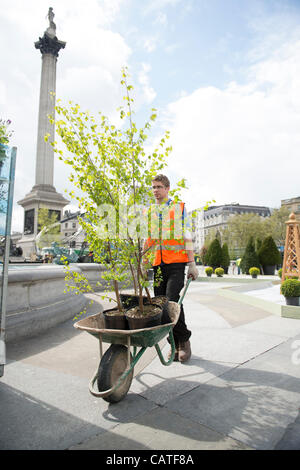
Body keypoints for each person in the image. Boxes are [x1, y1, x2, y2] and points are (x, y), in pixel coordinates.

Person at [143, 174, 199, 363]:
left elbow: (187, 237)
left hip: (176, 264)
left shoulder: (179, 208)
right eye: (153, 187)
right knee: (161, 305)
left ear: (167, 189)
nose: (155, 190)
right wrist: (143, 265)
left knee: (171, 302)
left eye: (159, 187)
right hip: (157, 265)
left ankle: (183, 341)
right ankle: (176, 343)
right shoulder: (149, 211)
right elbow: (148, 240)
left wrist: (191, 263)